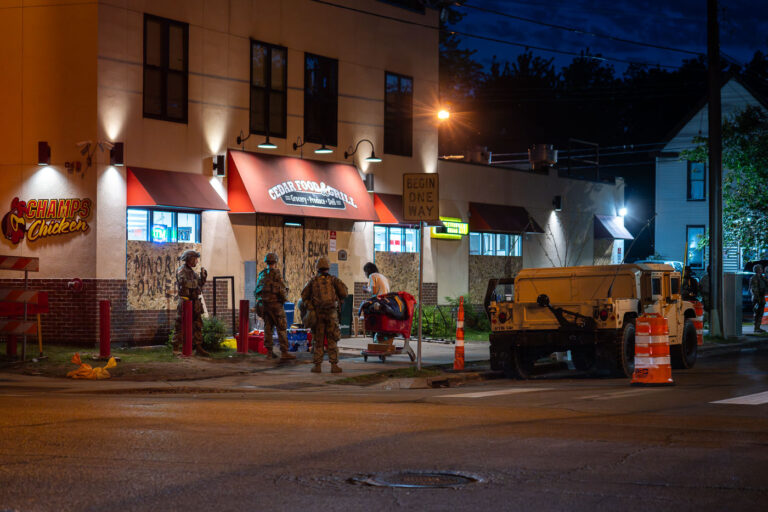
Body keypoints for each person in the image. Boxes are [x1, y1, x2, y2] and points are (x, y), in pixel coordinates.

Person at [301, 257, 348, 373]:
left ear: (317, 268)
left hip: (318, 315)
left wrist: (310, 306)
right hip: (331, 314)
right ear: (328, 267)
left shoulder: (313, 281)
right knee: (332, 339)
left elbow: (303, 296)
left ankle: (317, 366)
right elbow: (344, 293)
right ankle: (334, 366)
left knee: (318, 340)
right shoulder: (334, 280)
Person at [254, 252, 296, 360]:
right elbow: (282, 290)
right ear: (275, 262)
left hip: (265, 306)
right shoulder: (277, 274)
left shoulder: (262, 274)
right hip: (276, 306)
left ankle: (269, 352)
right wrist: (285, 299)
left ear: (266, 262)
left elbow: (256, 291)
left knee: (268, 328)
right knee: (281, 327)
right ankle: (284, 352)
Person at [173, 250, 209, 356]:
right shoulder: (181, 270)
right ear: (190, 259)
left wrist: (203, 278)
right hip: (185, 301)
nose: (197, 261)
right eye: (195, 259)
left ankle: (198, 347)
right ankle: (176, 347)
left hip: (195, 302)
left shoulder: (193, 273)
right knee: (180, 324)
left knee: (197, 324)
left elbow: (198, 285)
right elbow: (184, 283)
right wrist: (195, 283)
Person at [749, 264, 768, 333]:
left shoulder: (761, 277)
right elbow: (754, 289)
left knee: (761, 313)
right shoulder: (754, 278)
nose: (762, 270)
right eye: (760, 269)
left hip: (761, 297)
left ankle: (758, 327)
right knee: (757, 313)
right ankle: (756, 328)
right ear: (758, 270)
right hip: (757, 298)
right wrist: (757, 298)